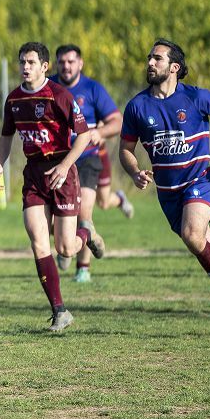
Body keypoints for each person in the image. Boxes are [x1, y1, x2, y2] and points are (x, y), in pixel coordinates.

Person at [121, 38, 210, 337]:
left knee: (191, 234)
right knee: (207, 250)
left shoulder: (196, 97)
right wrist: (134, 171)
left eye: (156, 58)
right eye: (149, 57)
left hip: (199, 182)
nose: (149, 63)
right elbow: (125, 150)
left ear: (174, 67)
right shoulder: (136, 106)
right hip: (168, 195)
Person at [0, 42, 99, 332]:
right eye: (21, 62)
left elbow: (84, 136)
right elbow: (6, 136)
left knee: (65, 249)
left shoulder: (59, 95)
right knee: (38, 240)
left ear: (44, 67)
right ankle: (59, 310)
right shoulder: (14, 99)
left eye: (30, 62)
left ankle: (85, 232)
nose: (24, 67)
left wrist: (65, 167)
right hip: (34, 175)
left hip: (62, 170)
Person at [50, 44, 123, 282]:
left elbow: (116, 121)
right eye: (62, 62)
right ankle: (69, 242)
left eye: (71, 62)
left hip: (87, 159)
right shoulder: (48, 86)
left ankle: (83, 269)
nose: (66, 66)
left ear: (80, 63)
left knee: (84, 215)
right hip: (57, 161)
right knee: (51, 221)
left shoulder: (92, 89)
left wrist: (101, 132)